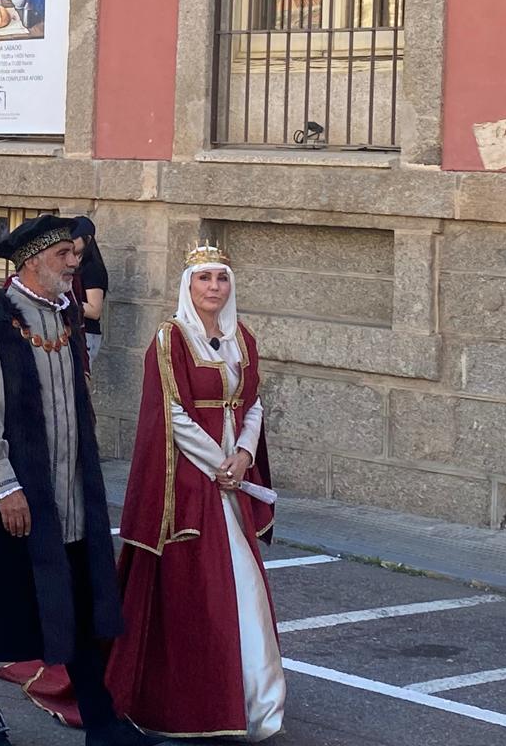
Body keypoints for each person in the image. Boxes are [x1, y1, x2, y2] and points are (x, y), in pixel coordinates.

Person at [0, 216, 139, 746]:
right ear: (34, 260)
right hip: (9, 496)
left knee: (80, 600)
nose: (74, 262)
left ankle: (101, 720)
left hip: (66, 493)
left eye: (75, 253)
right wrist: (7, 486)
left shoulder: (64, 317)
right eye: (65, 253)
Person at [106, 244, 285, 741]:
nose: (214, 288)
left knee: (243, 586)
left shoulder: (241, 338)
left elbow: (252, 405)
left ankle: (255, 703)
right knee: (198, 590)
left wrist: (244, 457)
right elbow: (171, 413)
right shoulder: (170, 339)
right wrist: (217, 464)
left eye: (221, 279)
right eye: (204, 279)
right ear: (189, 286)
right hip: (186, 481)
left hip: (231, 475)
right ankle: (189, 701)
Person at [73, 218, 109, 366]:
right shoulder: (75, 262)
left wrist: (65, 301)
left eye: (73, 237)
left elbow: (95, 310)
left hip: (87, 334)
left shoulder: (92, 268)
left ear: (87, 239)